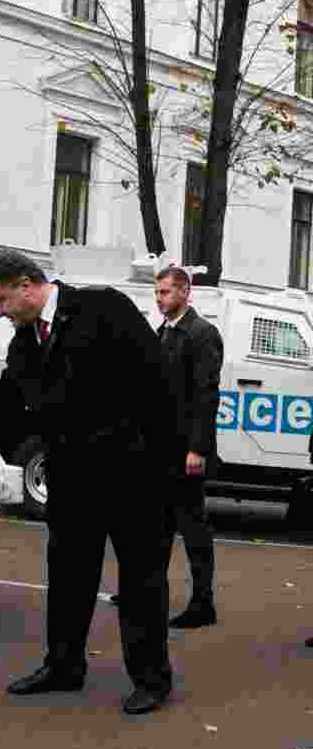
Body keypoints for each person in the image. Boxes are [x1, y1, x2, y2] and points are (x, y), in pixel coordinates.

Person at [0, 248, 177, 715]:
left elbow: (158, 385)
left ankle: (152, 680)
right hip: (72, 480)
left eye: (0, 300)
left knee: (141, 581)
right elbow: (0, 411)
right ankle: (63, 666)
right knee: (69, 577)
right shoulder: (25, 342)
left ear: (26, 285)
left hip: (134, 477)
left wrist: (159, 463)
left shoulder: (103, 308)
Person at [153, 266, 222, 628]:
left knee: (193, 527)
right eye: (157, 292)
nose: (159, 298)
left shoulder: (201, 333)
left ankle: (202, 603)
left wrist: (197, 448)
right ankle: (148, 590)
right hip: (162, 450)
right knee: (157, 526)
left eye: (165, 292)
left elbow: (206, 395)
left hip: (186, 451)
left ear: (184, 292)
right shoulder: (164, 330)